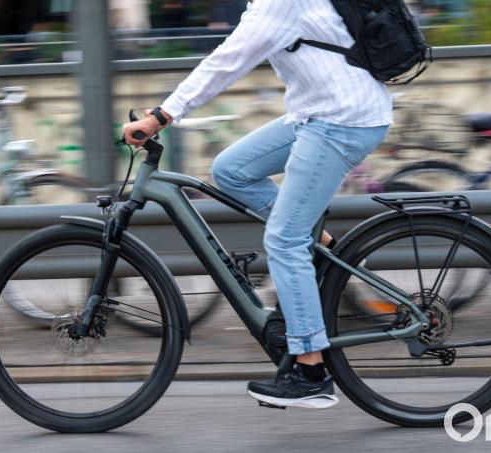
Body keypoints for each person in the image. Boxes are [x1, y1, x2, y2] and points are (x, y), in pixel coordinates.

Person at [123, 0, 392, 409]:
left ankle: (310, 372)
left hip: (341, 119)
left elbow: (228, 61)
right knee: (233, 170)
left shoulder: (279, 2)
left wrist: (161, 115)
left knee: (284, 241)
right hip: (316, 112)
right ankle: (320, 248)